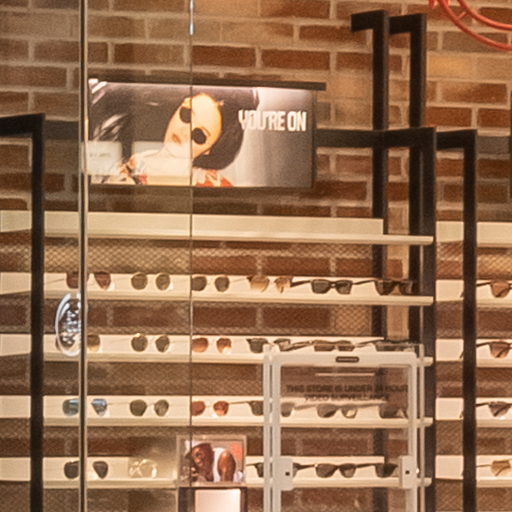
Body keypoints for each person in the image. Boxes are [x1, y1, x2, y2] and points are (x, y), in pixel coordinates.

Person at [90, 84, 259, 187]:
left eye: (199, 135)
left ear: (210, 149)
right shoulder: (120, 168)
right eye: (186, 115)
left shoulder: (217, 187)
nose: (184, 131)